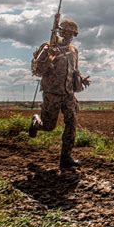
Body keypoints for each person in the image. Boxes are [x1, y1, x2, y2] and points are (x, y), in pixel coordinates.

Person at [28, 19, 90, 170]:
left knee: (72, 123)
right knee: (49, 126)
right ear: (60, 32)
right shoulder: (49, 48)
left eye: (72, 34)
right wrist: (48, 60)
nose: (69, 36)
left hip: (68, 93)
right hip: (52, 93)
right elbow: (37, 71)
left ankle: (65, 158)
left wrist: (81, 79)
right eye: (66, 32)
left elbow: (75, 69)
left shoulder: (74, 51)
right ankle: (36, 122)